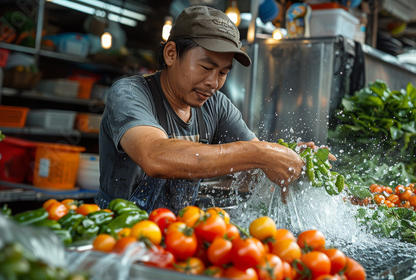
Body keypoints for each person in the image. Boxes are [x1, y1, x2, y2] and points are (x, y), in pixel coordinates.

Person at [95, 5, 324, 214]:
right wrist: (262, 153)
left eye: (223, 73)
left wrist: (289, 161)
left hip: (180, 237)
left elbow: (254, 170)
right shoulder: (129, 93)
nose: (213, 83)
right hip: (119, 233)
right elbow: (154, 156)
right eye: (206, 67)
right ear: (171, 54)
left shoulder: (216, 106)